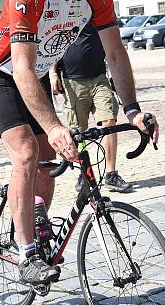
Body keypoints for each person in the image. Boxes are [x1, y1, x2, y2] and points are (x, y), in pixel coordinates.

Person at [0, 0, 159, 285]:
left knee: (49, 158)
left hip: (35, 71)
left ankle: (35, 211)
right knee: (27, 151)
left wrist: (133, 109)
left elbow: (115, 54)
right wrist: (55, 125)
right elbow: (22, 67)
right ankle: (26, 254)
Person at [50, 22, 133, 192]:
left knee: (109, 121)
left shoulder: (98, 9)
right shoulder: (65, 10)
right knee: (78, 132)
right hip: (71, 81)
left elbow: (113, 46)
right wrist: (52, 73)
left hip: (99, 77)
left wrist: (119, 77)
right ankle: (84, 172)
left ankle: (111, 174)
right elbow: (54, 44)